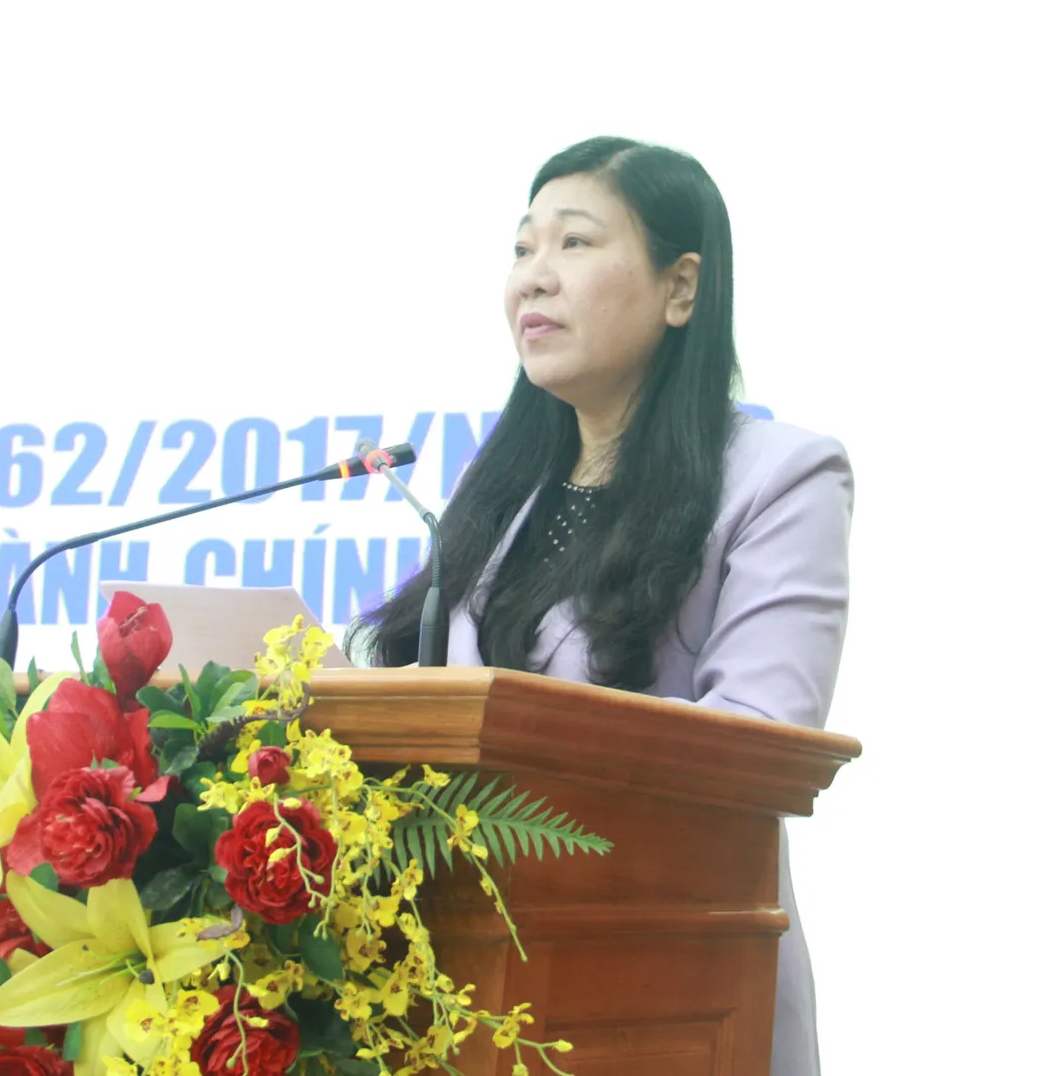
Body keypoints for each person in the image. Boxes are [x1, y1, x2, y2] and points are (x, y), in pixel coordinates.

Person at [351, 136, 852, 1076]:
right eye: (522, 248)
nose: (533, 277)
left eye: (574, 243)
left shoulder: (780, 476)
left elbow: (763, 741)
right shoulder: (506, 492)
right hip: (463, 986)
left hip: (668, 996)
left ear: (681, 288)